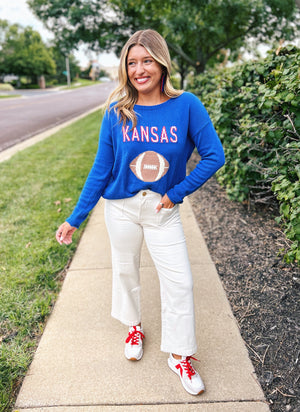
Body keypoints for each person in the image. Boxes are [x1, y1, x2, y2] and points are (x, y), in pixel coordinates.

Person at [56, 29, 225, 396]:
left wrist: (177, 193)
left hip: (162, 209)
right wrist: (75, 218)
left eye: (146, 60)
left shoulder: (187, 105)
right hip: (121, 208)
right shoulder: (117, 111)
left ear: (161, 62)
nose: (139, 69)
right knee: (126, 270)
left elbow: (215, 155)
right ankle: (133, 326)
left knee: (180, 281)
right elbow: (102, 169)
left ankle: (180, 355)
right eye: (132, 62)